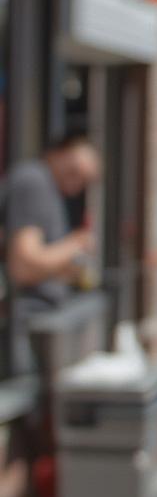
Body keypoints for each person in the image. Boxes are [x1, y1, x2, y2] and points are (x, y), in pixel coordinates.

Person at [2, 131, 102, 373]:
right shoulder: (35, 180)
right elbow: (24, 265)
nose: (77, 183)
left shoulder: (49, 188)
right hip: (20, 326)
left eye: (84, 180)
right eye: (75, 171)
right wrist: (75, 245)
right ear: (59, 152)